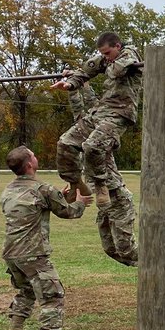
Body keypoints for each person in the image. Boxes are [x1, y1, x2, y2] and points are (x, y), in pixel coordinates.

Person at [0, 145, 89, 330]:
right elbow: (68, 212)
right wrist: (80, 203)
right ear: (30, 164)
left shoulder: (8, 190)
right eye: (33, 155)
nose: (36, 156)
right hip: (33, 254)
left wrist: (60, 195)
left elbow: (41, 206)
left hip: (12, 254)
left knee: (27, 291)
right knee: (53, 297)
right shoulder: (42, 189)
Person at [52, 32, 142, 209]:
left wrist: (102, 65)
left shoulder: (130, 54)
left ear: (118, 46)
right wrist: (70, 83)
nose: (105, 57)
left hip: (119, 113)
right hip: (100, 111)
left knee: (92, 146)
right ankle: (76, 184)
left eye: (107, 53)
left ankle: (101, 185)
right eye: (102, 54)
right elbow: (85, 71)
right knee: (65, 143)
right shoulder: (106, 58)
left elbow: (117, 71)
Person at [66, 82, 138, 266]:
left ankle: (156, 262)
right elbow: (78, 113)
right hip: (104, 204)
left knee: (126, 249)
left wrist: (85, 84)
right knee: (110, 249)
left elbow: (95, 107)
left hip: (117, 198)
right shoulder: (80, 135)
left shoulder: (101, 140)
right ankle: (148, 264)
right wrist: (72, 88)